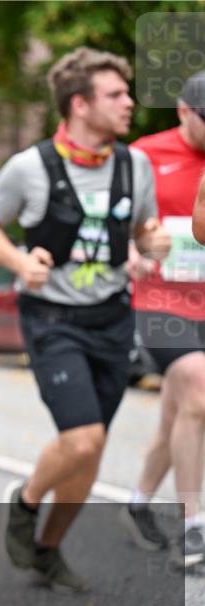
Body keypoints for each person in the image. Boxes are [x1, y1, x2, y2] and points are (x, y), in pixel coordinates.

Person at [0, 48, 170, 591]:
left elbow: (142, 230)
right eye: (116, 95)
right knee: (81, 440)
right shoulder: (30, 168)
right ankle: (26, 501)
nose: (130, 103)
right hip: (54, 318)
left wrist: (151, 240)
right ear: (80, 105)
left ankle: (47, 550)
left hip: (111, 317)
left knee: (91, 450)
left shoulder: (135, 165)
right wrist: (17, 261)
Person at [121, 72, 205, 568]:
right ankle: (194, 525)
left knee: (181, 413)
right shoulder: (146, 154)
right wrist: (131, 250)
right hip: (157, 301)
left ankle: (138, 499)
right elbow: (114, 216)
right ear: (182, 110)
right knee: (198, 387)